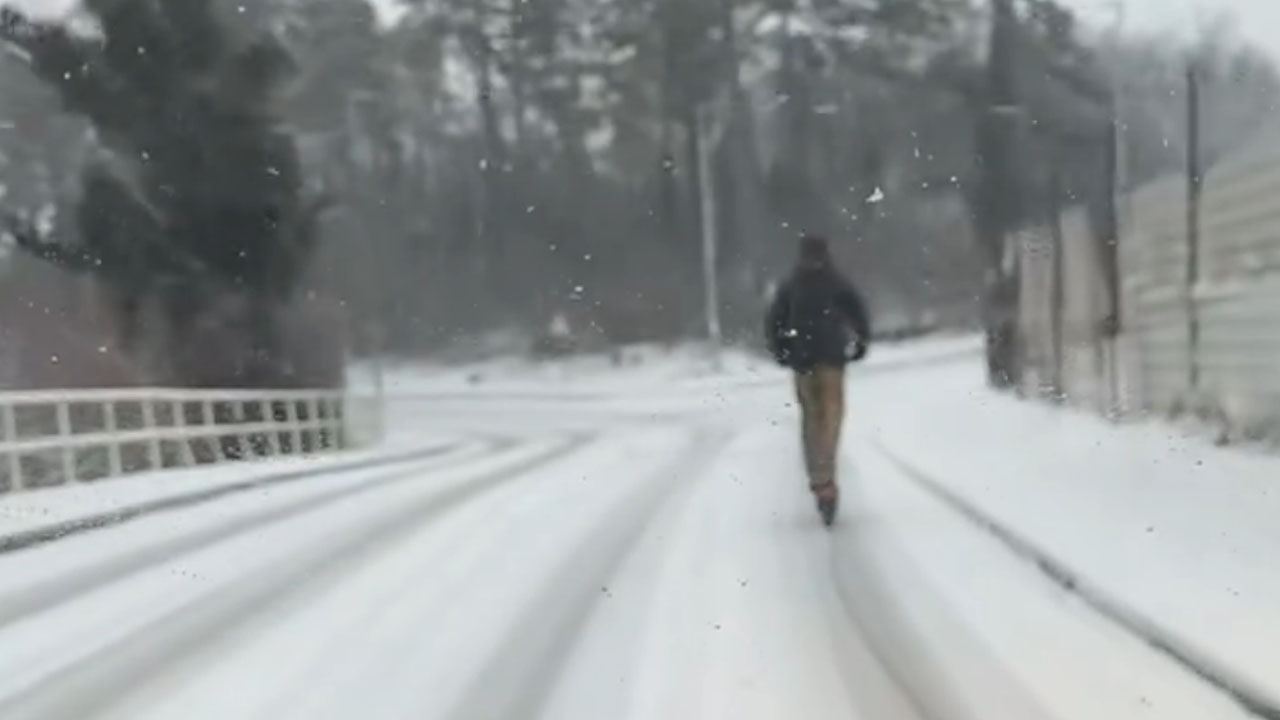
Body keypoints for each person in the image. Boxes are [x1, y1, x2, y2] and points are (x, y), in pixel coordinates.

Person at [764, 233, 870, 525]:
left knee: (813, 420)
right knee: (829, 419)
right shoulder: (835, 282)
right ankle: (825, 478)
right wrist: (860, 340)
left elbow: (774, 320)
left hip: (805, 359)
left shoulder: (792, 285)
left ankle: (821, 478)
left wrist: (781, 349)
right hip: (828, 358)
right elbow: (858, 312)